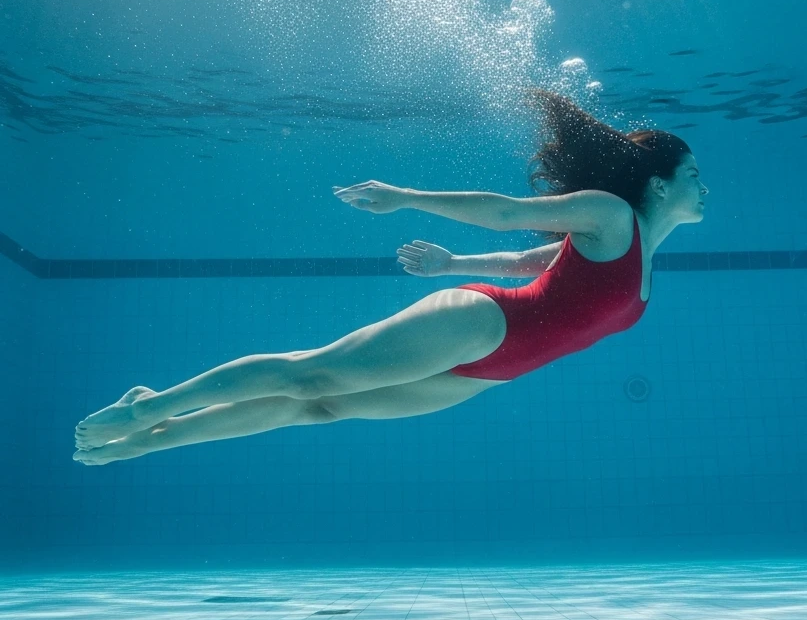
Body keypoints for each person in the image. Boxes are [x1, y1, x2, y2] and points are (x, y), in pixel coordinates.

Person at [72, 91, 707, 465]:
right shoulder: (611, 214)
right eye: (694, 175)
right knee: (312, 371)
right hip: (482, 323)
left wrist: (449, 261)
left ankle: (145, 439)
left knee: (319, 407)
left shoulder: (639, 253)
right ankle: (152, 406)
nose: (704, 188)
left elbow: (530, 264)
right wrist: (405, 196)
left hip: (490, 371)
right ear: (659, 183)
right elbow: (508, 215)